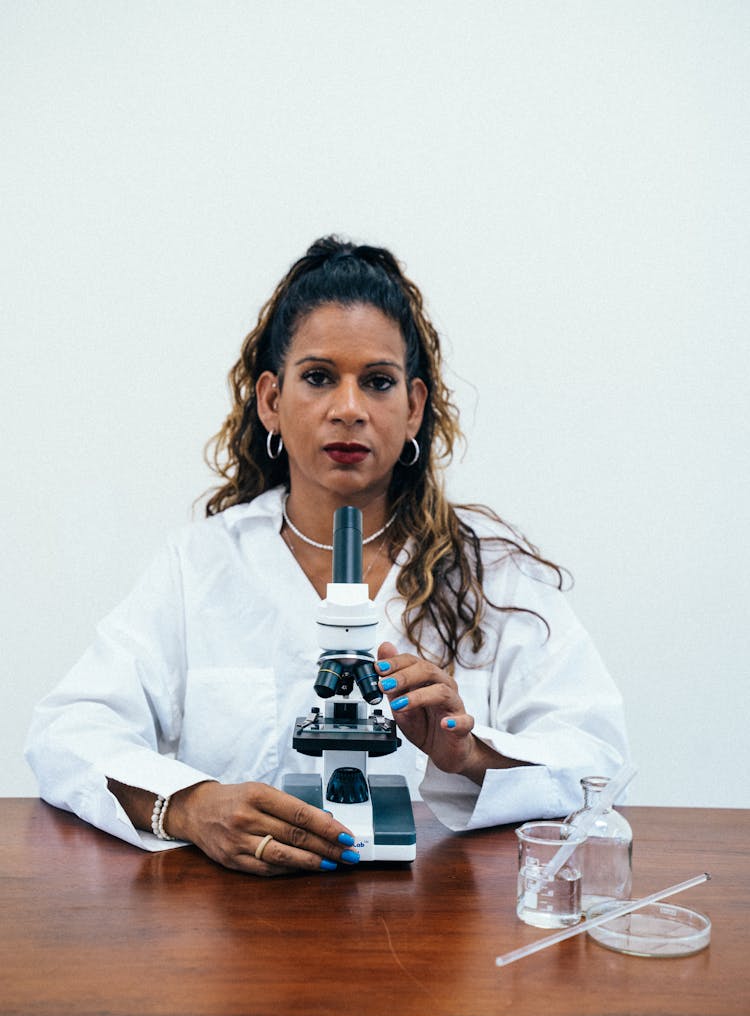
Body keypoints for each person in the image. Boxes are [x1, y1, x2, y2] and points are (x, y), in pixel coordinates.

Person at [25, 235, 629, 877]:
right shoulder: (201, 563)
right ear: (271, 401)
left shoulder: (491, 576)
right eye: (317, 378)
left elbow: (599, 760)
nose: (348, 409)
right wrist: (190, 805)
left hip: (434, 936)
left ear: (414, 406)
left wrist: (468, 754)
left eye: (377, 382)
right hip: (240, 934)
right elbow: (68, 732)